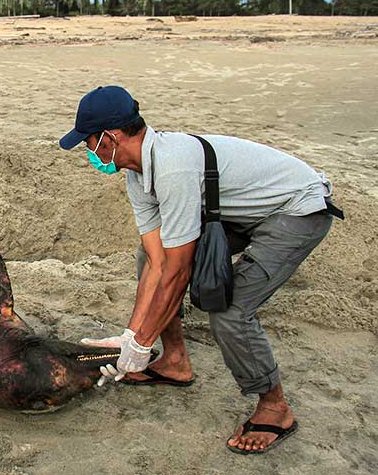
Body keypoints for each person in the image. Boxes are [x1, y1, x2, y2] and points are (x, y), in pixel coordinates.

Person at [59, 86, 340, 454]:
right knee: (147, 259)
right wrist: (132, 338)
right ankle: (175, 362)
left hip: (295, 210)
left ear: (109, 137)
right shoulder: (137, 173)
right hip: (240, 212)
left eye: (88, 143)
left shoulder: (173, 166)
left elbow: (177, 272)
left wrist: (141, 344)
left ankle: (275, 407)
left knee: (232, 311)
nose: (88, 152)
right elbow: (158, 262)